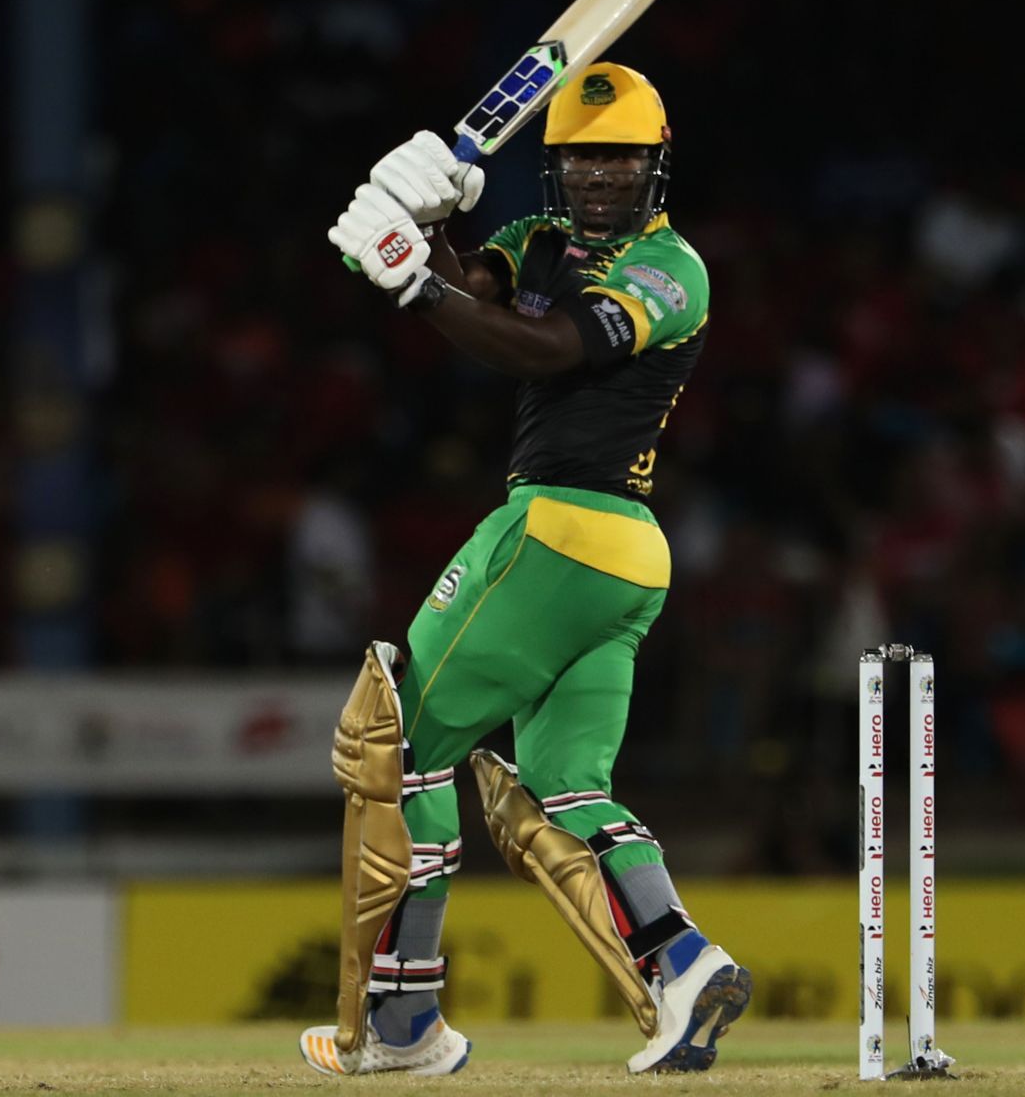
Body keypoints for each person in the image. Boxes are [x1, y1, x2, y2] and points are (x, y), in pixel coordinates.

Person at [301, 64, 749, 1077]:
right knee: (563, 788)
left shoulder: (673, 269)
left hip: (561, 528)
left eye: (621, 157)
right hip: (622, 560)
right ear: (556, 166)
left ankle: (405, 1021)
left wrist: (413, 280)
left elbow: (543, 348)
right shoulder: (536, 241)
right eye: (583, 156)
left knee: (396, 740)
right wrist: (424, 219)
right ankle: (683, 963)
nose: (600, 176)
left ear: (655, 165)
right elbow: (471, 295)